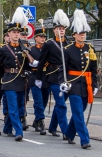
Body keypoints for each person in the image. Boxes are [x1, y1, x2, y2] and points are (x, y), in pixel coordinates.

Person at [0, 7, 33, 141]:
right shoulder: (3, 49)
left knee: (20, 108)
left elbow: (26, 65)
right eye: (14, 32)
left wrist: (28, 72)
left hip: (20, 81)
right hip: (8, 81)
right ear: (9, 33)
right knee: (13, 107)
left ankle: (7, 128)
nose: (16, 34)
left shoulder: (23, 48)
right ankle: (19, 132)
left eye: (18, 32)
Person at [59, 9, 98, 149]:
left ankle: (69, 133)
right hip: (73, 84)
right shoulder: (68, 50)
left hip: (86, 84)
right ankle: (85, 139)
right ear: (74, 35)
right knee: (78, 113)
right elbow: (62, 70)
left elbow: (94, 70)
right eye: (80, 33)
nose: (82, 35)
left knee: (80, 112)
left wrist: (95, 85)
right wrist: (62, 82)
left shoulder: (90, 48)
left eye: (84, 33)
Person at [35, 9, 70, 139]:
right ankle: (66, 132)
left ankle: (53, 126)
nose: (61, 31)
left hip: (66, 78)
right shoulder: (49, 44)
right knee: (61, 104)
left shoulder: (68, 43)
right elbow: (42, 62)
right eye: (58, 28)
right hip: (54, 77)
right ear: (54, 30)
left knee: (60, 104)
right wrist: (38, 78)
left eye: (63, 29)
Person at [28, 27, 50, 135]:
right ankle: (41, 122)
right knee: (38, 102)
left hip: (46, 77)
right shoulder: (31, 50)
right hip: (35, 77)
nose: (43, 38)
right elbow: (28, 64)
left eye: (44, 37)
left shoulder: (48, 49)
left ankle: (36, 120)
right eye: (40, 36)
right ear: (35, 37)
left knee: (44, 102)